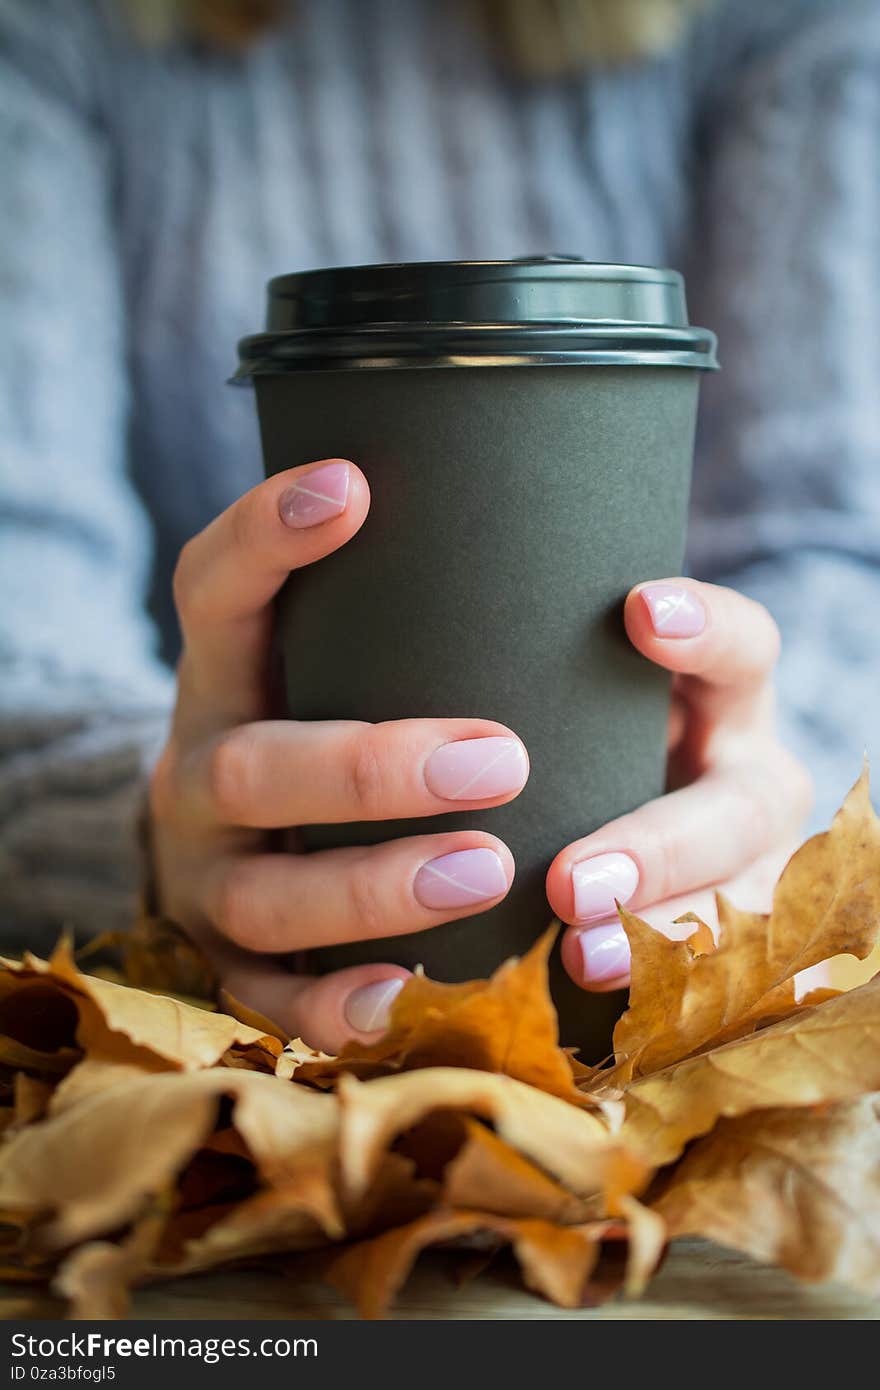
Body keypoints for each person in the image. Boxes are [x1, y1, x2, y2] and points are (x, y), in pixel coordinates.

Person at [1, 0, 877, 1053]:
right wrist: (157, 824)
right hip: (244, 1018)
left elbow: (845, 539)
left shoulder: (787, 18)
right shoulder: (56, 27)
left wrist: (781, 801)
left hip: (662, 1027)